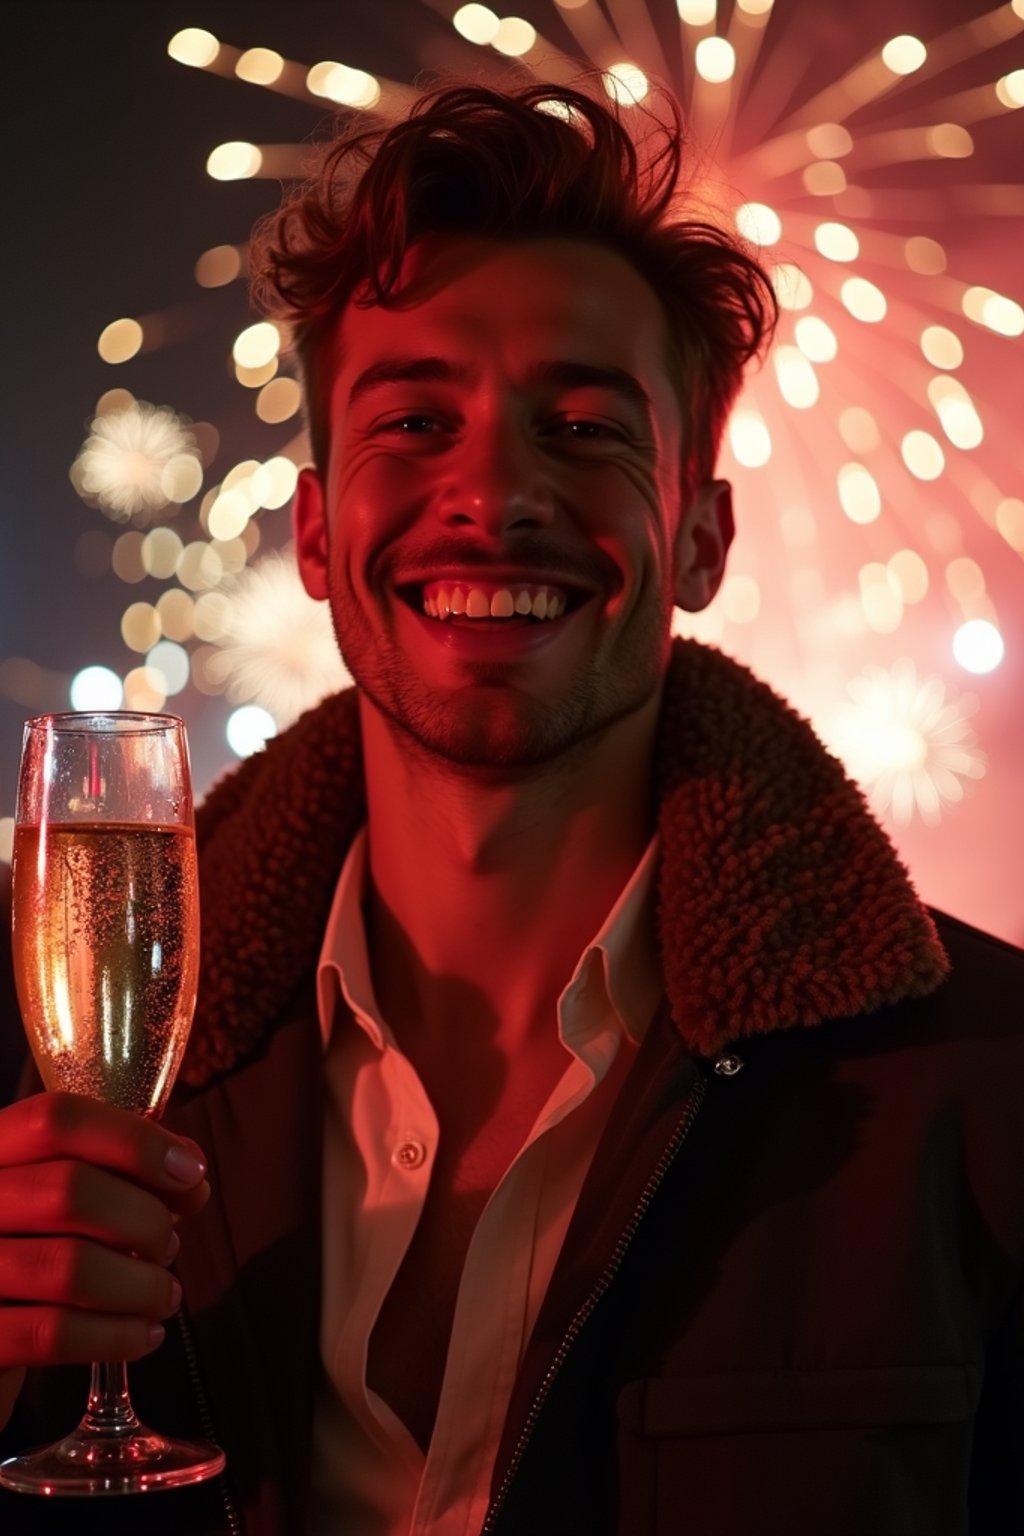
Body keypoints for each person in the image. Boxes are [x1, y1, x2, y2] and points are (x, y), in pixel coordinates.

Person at [1, 79, 1023, 1536]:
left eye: (588, 430)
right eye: (415, 420)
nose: (491, 488)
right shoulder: (39, 1087)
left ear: (700, 537)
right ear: (311, 532)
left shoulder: (981, 1092)